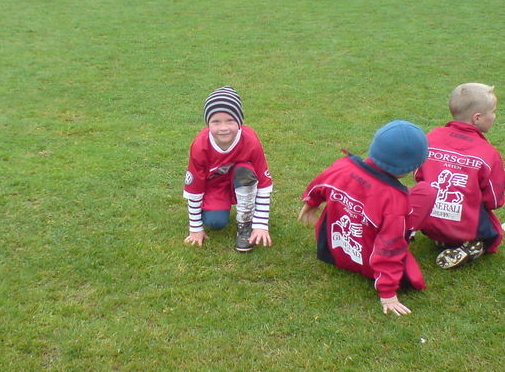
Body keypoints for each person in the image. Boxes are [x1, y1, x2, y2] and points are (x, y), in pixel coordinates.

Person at [298, 121, 432, 316]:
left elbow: (320, 184)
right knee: (426, 192)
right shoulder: (394, 201)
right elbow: (389, 247)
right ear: (410, 167)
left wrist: (311, 202)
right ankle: (408, 233)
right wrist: (388, 293)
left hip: (331, 249)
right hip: (367, 262)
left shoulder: (343, 166)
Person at [413, 83, 504, 268]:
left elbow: (418, 176)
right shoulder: (488, 154)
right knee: (492, 231)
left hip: (429, 221)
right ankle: (472, 245)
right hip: (464, 225)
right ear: (477, 118)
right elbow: (495, 200)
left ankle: (441, 237)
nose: (494, 116)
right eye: (492, 112)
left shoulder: (430, 138)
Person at [183, 86, 273, 252]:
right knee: (215, 222)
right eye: (216, 121)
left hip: (241, 182)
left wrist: (260, 225)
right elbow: (194, 189)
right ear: (208, 123)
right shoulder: (200, 146)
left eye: (230, 120)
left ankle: (245, 223)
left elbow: (264, 184)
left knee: (244, 171)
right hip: (214, 186)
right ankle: (212, 208)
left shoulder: (250, 140)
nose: (223, 127)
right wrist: (195, 228)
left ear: (239, 121)